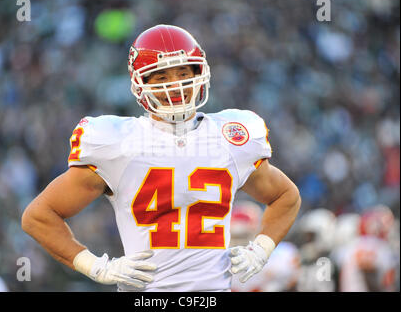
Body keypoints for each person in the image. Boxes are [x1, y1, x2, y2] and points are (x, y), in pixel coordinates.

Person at [21, 24, 301, 292]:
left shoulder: (230, 137)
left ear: (200, 73)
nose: (175, 86)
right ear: (140, 84)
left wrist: (262, 248)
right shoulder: (119, 142)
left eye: (182, 73)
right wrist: (95, 266)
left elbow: (286, 196)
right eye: (162, 77)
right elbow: (39, 216)